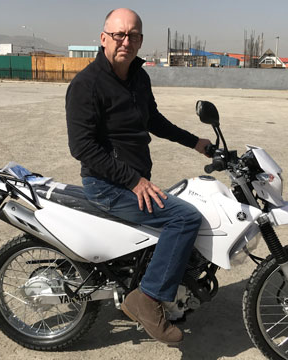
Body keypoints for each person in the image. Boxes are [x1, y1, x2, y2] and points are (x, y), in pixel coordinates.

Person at [65, 8, 211, 345]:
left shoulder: (138, 77)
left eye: (133, 35)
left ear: (141, 40)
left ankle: (142, 280)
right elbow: (83, 147)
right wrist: (133, 181)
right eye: (119, 34)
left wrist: (196, 143)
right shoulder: (86, 85)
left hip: (131, 179)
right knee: (185, 219)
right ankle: (147, 299)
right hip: (107, 185)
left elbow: (153, 120)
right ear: (103, 38)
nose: (125, 41)